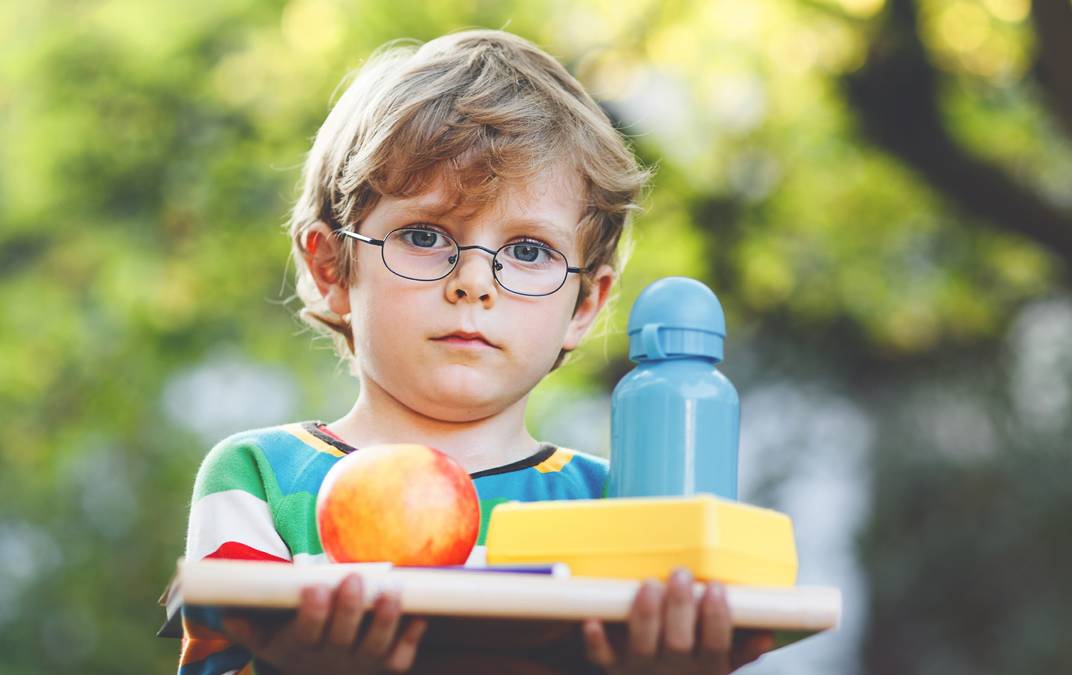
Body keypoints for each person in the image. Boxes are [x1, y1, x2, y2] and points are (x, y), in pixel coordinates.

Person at [177, 28, 774, 675]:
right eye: (425, 234)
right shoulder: (259, 480)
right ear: (332, 266)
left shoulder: (616, 507)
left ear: (583, 305)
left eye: (528, 250)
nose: (474, 282)